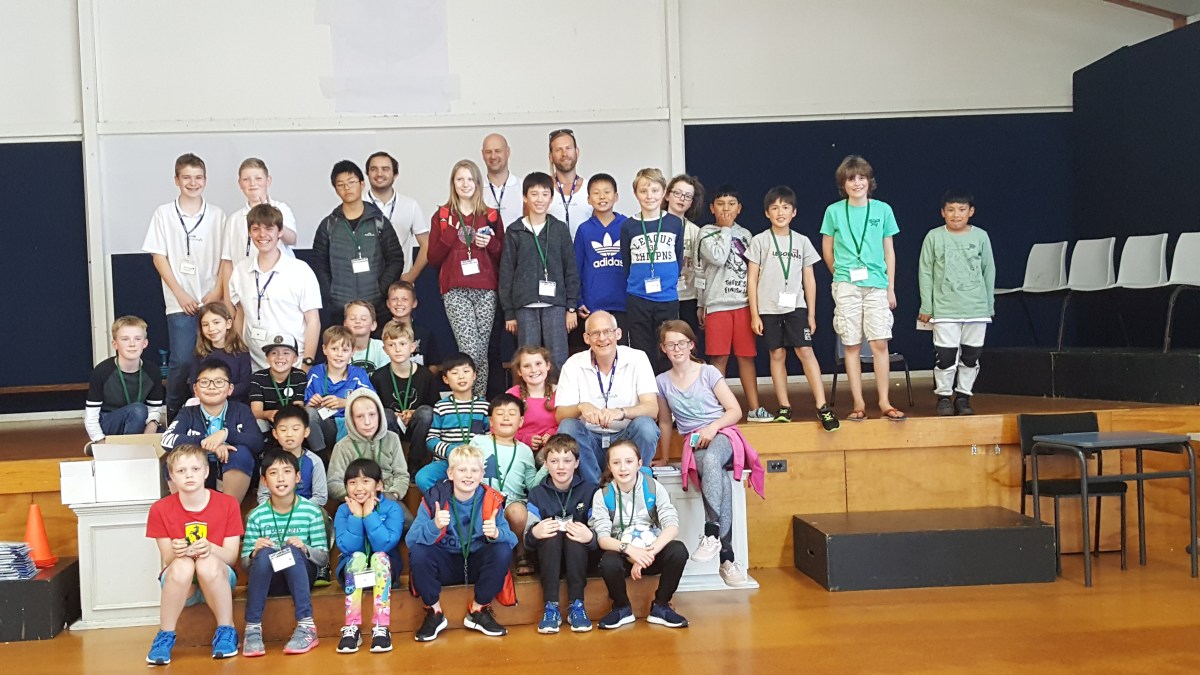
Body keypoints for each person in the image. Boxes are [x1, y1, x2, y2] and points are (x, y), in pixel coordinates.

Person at [656, 320, 759, 587]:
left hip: (722, 433)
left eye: (681, 343)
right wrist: (664, 456)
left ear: (691, 345)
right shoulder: (662, 382)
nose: (676, 348)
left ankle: (711, 532)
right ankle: (727, 558)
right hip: (694, 441)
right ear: (663, 348)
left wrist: (712, 429)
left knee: (713, 459)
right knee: (717, 476)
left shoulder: (708, 372)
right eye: (670, 344)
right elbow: (665, 422)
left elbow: (735, 410)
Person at [820, 155, 905, 421]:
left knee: (880, 342)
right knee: (851, 343)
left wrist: (890, 287)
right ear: (843, 184)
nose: (856, 183)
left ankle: (884, 401)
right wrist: (840, 276)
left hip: (877, 283)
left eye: (861, 178)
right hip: (847, 284)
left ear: (869, 181)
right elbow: (827, 249)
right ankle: (858, 403)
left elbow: (889, 251)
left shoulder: (883, 209)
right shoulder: (834, 211)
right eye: (850, 179)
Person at [142, 153, 226, 418]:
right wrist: (180, 294)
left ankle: (212, 413)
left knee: (215, 360)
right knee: (182, 361)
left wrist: (217, 292)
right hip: (180, 301)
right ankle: (175, 414)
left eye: (198, 177)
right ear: (176, 180)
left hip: (212, 300)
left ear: (205, 180)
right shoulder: (163, 214)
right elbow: (158, 257)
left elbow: (226, 258)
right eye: (186, 177)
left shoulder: (217, 215)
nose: (193, 183)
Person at [749, 186, 838, 430]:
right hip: (768, 308)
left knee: (805, 351)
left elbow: (810, 280)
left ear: (794, 212)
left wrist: (811, 313)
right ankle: (784, 406)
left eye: (785, 207)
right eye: (775, 208)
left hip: (796, 307)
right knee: (776, 354)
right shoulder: (759, 240)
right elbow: (752, 279)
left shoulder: (802, 241)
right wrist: (755, 314)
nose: (780, 212)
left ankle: (822, 406)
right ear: (767, 213)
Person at [144, 445, 243, 665]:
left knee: (206, 563)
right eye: (181, 471)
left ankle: (226, 630)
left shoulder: (227, 504)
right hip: (182, 582)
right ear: (171, 476)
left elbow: (230, 557)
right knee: (183, 565)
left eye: (195, 469)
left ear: (206, 472)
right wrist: (177, 551)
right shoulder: (160, 509)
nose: (189, 475)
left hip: (218, 577)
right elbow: (168, 559)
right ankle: (165, 635)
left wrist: (210, 548)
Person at [407, 444, 517, 641]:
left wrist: (496, 533)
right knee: (419, 551)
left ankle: (478, 610)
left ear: (482, 474)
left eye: (474, 470)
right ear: (450, 473)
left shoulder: (491, 499)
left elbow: (512, 540)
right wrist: (434, 526)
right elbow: (411, 540)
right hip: (444, 564)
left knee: (501, 550)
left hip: (476, 564)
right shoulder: (435, 498)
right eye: (462, 470)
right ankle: (434, 612)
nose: (468, 476)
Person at [589, 440, 689, 630]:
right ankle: (621, 607)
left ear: (639, 463)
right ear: (609, 466)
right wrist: (631, 551)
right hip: (623, 555)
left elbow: (672, 526)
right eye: (616, 462)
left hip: (651, 554)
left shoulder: (653, 487)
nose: (623, 468)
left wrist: (648, 553)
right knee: (608, 561)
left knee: (678, 550)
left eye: (629, 461)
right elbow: (603, 538)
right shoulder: (602, 495)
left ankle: (661, 606)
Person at [426, 159, 503, 399]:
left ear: (478, 183)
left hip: (486, 289)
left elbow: (503, 254)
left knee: (482, 351)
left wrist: (491, 243)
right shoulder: (442, 216)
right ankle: (468, 400)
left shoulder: (490, 215)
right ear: (453, 183)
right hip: (455, 290)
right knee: (470, 349)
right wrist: (449, 234)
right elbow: (433, 258)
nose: (465, 184)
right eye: (460, 179)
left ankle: (478, 403)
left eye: (470, 179)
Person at [555, 311, 660, 485]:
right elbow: (560, 415)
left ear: (618, 333)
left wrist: (622, 412)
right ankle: (595, 489)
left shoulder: (637, 358)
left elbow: (652, 409)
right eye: (595, 333)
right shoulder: (573, 364)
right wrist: (581, 407)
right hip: (589, 440)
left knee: (646, 427)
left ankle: (634, 485)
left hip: (625, 438)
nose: (602, 338)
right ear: (586, 338)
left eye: (607, 331)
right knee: (568, 426)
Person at [240, 449, 328, 657]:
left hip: (301, 575)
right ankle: (252, 629)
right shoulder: (256, 516)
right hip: (270, 579)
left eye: (287, 471)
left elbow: (323, 558)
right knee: (263, 554)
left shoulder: (311, 511)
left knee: (292, 550)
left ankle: (307, 626)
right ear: (264, 481)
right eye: (273, 473)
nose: (280, 478)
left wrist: (305, 548)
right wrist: (253, 553)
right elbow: (244, 564)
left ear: (297, 477)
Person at [918, 189, 995, 417]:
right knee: (945, 357)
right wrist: (926, 306)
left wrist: (989, 304)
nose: (956, 214)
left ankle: (963, 397)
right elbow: (925, 272)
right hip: (945, 308)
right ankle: (944, 397)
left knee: (971, 356)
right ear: (943, 212)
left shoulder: (981, 236)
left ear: (971, 212)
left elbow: (988, 270)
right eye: (950, 210)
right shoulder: (933, 236)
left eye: (962, 209)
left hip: (976, 308)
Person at [499, 171, 580, 370]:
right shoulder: (514, 231)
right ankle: (528, 392)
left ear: (551, 198)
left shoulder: (559, 229)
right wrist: (509, 312)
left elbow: (570, 269)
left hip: (555, 304)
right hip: (525, 305)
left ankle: (559, 391)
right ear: (525, 197)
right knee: (528, 358)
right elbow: (507, 273)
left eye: (545, 194)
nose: (539, 199)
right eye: (534, 194)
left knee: (558, 358)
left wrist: (571, 307)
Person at [312, 159, 406, 328]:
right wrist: (330, 292)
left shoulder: (379, 222)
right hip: (340, 309)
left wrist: (381, 289)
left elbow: (395, 259)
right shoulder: (328, 225)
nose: (347, 188)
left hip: (375, 307)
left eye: (351, 182)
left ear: (362, 184)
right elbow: (319, 264)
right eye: (341, 184)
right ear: (335, 189)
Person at [696, 185, 764, 418]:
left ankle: (754, 408)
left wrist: (756, 309)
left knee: (746, 356)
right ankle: (718, 411)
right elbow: (715, 259)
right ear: (712, 208)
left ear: (739, 208)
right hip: (717, 304)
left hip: (743, 304)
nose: (726, 209)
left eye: (731, 204)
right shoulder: (706, 232)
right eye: (721, 204)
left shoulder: (746, 235)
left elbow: (754, 271)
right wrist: (701, 304)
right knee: (719, 358)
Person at [229, 203, 321, 371]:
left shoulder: (300, 270)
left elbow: (313, 320)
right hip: (254, 364)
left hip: (294, 364)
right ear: (249, 232)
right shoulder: (240, 270)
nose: (262, 234)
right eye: (256, 229)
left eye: (269, 228)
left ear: (280, 232)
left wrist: (307, 364)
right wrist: (239, 357)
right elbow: (240, 314)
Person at [524, 434, 598, 634]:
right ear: (546, 463)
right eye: (554, 461)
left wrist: (589, 536)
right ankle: (551, 607)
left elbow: (599, 536)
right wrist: (535, 532)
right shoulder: (537, 493)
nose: (561, 467)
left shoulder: (591, 491)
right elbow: (527, 541)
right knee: (551, 535)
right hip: (548, 558)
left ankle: (577, 605)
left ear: (577, 463)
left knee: (576, 536)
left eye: (567, 460)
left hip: (581, 558)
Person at [161, 359, 264, 503]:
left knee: (241, 453)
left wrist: (226, 434)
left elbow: (258, 443)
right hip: (198, 473)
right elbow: (166, 440)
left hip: (233, 473)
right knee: (178, 457)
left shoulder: (241, 411)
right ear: (195, 389)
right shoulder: (187, 413)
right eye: (204, 382)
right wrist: (205, 443)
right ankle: (188, 511)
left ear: (230, 388)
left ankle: (228, 510)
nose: (211, 387)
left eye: (219, 382)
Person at [333, 458, 404, 654]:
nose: (358, 488)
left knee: (379, 557)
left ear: (379, 485)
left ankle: (381, 627)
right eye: (352, 482)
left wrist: (370, 515)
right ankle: (352, 628)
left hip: (386, 569)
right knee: (357, 557)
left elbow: (384, 544)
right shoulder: (343, 510)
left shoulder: (392, 508)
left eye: (365, 481)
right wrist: (356, 517)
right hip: (353, 570)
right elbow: (346, 547)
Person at [621, 168, 684, 372]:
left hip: (667, 297)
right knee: (641, 350)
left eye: (655, 190)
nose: (650, 196)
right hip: (638, 297)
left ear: (664, 192)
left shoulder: (674, 223)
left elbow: (678, 257)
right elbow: (626, 262)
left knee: (668, 347)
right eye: (643, 191)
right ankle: (646, 391)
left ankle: (666, 390)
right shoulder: (628, 226)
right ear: (635, 194)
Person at [469, 393, 538, 575]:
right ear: (491, 421)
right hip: (483, 498)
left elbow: (532, 484)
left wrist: (546, 466)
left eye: (512, 413)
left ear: (521, 421)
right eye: (500, 413)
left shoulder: (525, 450)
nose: (506, 418)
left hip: (512, 501)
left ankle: (521, 552)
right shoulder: (478, 442)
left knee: (518, 512)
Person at [219, 158, 299, 310]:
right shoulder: (234, 219)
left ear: (268, 181)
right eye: (246, 179)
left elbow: (292, 239)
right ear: (240, 184)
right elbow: (227, 262)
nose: (252, 183)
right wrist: (228, 302)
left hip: (279, 288)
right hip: (245, 289)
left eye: (258, 178)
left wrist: (271, 215)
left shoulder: (281, 209)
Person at [414, 353, 490, 492]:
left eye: (466, 371)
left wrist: (475, 454)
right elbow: (431, 439)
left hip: (475, 462)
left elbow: (490, 436)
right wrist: (451, 451)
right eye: (455, 373)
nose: (461, 376)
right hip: (447, 462)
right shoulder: (441, 406)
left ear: (474, 375)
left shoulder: (484, 406)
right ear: (445, 379)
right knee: (422, 478)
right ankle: (446, 499)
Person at [84, 316, 164, 445]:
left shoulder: (152, 371)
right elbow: (91, 416)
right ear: (115, 344)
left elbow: (154, 409)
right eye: (125, 339)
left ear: (145, 343)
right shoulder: (102, 371)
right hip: (109, 423)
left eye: (137, 339)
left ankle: (133, 446)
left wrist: (149, 434)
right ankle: (124, 448)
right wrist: (100, 441)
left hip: (139, 421)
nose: (132, 344)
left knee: (167, 434)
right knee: (138, 410)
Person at [328, 389, 410, 505]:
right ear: (351, 419)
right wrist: (359, 496)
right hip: (356, 501)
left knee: (405, 517)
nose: (367, 422)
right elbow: (333, 484)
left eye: (372, 415)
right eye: (359, 416)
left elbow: (401, 475)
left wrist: (393, 494)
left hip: (388, 499)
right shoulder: (342, 446)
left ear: (380, 415)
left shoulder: (392, 439)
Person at [574, 173, 629, 344]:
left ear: (616, 196)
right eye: (596, 193)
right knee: (596, 348)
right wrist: (578, 300)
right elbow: (576, 268)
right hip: (593, 304)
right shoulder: (584, 230)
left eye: (607, 192)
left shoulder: (627, 225)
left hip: (623, 302)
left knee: (621, 350)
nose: (602, 197)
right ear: (589, 199)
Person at [370, 320, 439, 457]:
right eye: (391, 345)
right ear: (384, 349)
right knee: (385, 414)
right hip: (391, 425)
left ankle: (415, 462)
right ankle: (393, 460)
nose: (397, 349)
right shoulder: (378, 376)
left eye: (402, 344)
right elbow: (374, 408)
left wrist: (414, 412)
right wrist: (393, 415)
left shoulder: (425, 375)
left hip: (417, 426)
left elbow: (435, 406)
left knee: (426, 413)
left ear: (412, 347)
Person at [304, 326, 374, 456]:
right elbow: (306, 404)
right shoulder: (315, 373)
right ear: (324, 349)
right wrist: (312, 404)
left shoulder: (358, 374)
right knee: (308, 413)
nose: (339, 354)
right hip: (326, 427)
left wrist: (346, 402)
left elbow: (372, 402)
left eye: (345, 350)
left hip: (352, 426)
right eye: (334, 349)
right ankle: (322, 458)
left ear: (352, 352)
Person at [365, 151, 429, 284]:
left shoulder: (410, 205)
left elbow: (426, 244)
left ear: (395, 174)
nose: (379, 174)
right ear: (367, 174)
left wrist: (412, 275)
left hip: (399, 284)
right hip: (366, 284)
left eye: (385, 169)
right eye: (374, 169)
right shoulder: (357, 205)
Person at [255, 405, 327, 508]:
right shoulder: (269, 461)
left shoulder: (315, 461)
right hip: (276, 511)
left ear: (306, 432)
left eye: (295, 429)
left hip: (306, 511)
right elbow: (263, 495)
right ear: (275, 433)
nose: (289, 434)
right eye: (283, 430)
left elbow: (320, 497)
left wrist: (296, 510)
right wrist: (279, 510)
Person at [665, 175, 706, 353]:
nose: (682, 199)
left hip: (688, 297)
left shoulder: (696, 232)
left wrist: (701, 304)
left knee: (687, 345)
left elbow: (701, 269)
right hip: (662, 296)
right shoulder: (654, 226)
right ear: (667, 195)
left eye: (687, 196)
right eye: (678, 193)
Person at [188, 303, 252, 405]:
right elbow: (194, 383)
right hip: (207, 403)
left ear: (228, 324)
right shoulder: (200, 353)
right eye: (205, 324)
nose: (211, 328)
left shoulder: (241, 352)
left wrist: (220, 394)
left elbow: (245, 384)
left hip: (235, 404)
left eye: (216, 322)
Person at [248, 335, 308, 434]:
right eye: (274, 353)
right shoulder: (258, 377)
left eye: (286, 353)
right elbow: (256, 411)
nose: (280, 357)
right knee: (257, 423)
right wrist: (268, 414)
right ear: (267, 358)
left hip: (292, 420)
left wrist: (284, 418)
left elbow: (299, 406)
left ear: (295, 358)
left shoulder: (300, 376)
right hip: (268, 421)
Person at [506, 345, 557, 454]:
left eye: (538, 364)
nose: (534, 370)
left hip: (552, 452)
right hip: (519, 450)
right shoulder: (512, 395)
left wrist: (553, 435)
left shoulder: (559, 393)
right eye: (527, 366)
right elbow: (501, 427)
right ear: (519, 371)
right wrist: (525, 439)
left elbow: (567, 424)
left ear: (548, 365)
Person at [384, 280, 442, 371]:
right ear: (388, 303)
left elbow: (433, 364)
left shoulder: (425, 333)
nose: (399, 303)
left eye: (405, 299)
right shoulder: (381, 334)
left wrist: (425, 378)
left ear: (414, 303)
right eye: (394, 299)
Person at [547, 129, 592, 238]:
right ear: (551, 157)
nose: (564, 154)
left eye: (568, 148)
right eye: (558, 150)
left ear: (577, 152)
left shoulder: (591, 189)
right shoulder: (542, 190)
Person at [481, 133, 524, 228]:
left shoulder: (523, 187)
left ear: (508, 152)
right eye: (488, 152)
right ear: (483, 155)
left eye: (498, 151)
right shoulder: (475, 189)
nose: (493, 156)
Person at [344, 300, 388, 372]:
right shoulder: (339, 348)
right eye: (352, 318)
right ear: (345, 324)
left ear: (373, 325)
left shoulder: (381, 347)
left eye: (363, 319)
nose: (358, 321)